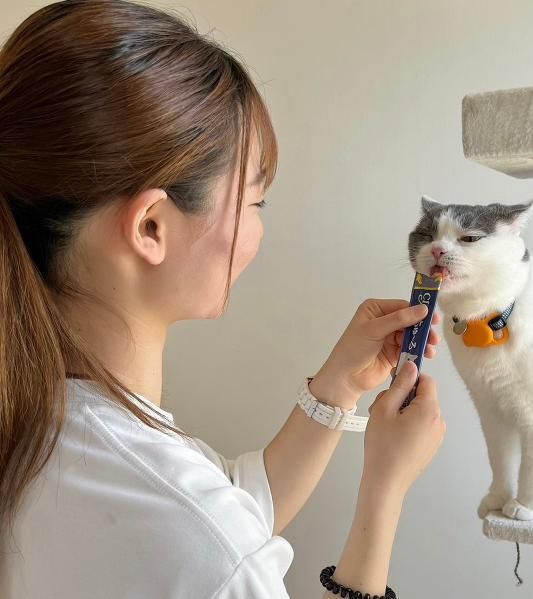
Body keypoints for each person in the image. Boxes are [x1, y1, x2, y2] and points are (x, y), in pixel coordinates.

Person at [0, 1, 446, 598]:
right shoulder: (192, 531)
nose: (258, 229)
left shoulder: (44, 421)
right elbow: (214, 541)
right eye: (254, 201)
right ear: (152, 226)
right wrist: (384, 490)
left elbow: (224, 515)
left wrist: (339, 386)